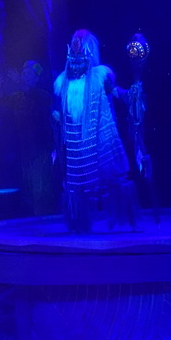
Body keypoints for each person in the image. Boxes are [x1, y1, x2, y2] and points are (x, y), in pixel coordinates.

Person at [52, 30, 138, 233]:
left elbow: (117, 92)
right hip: (76, 139)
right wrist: (55, 115)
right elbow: (57, 107)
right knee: (75, 184)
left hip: (100, 133)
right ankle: (78, 223)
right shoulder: (62, 82)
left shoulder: (100, 76)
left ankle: (120, 218)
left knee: (112, 176)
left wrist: (132, 95)